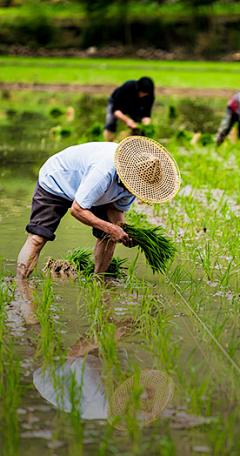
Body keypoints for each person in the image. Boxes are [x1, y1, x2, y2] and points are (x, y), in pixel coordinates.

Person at [16, 136, 181, 279]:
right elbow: (77, 209)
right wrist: (110, 228)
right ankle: (20, 287)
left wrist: (122, 231)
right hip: (57, 181)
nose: (134, 191)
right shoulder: (103, 171)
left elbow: (115, 210)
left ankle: (99, 281)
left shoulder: (137, 181)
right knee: (38, 237)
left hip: (94, 193)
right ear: (126, 175)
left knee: (109, 238)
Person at [104, 77, 155, 141]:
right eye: (142, 93)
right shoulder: (127, 88)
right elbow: (116, 110)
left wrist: (145, 125)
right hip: (118, 103)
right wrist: (127, 120)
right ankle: (109, 143)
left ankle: (127, 144)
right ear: (138, 89)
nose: (143, 96)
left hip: (135, 106)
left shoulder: (150, 95)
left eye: (146, 94)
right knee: (110, 125)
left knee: (137, 128)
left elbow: (146, 114)